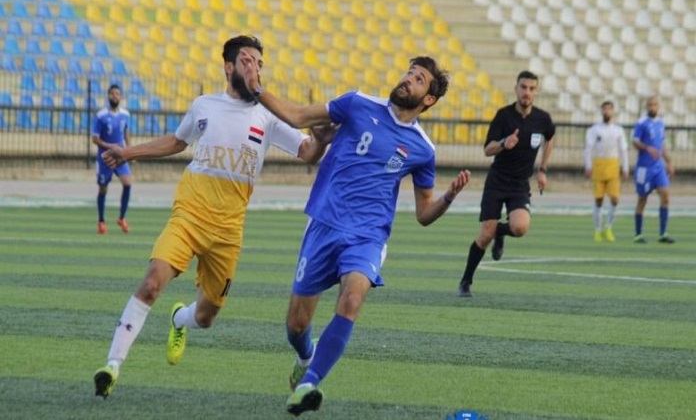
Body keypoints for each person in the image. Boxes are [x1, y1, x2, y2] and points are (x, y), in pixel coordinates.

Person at [92, 35, 334, 399]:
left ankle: (179, 319)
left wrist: (321, 141)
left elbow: (307, 152)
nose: (255, 68)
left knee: (205, 317)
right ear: (229, 66)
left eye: (259, 63)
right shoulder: (204, 105)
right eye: (248, 60)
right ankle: (112, 366)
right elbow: (176, 142)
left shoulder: (268, 115)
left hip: (228, 229)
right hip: (189, 214)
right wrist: (129, 152)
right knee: (153, 282)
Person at [238, 52, 471, 416]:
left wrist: (449, 198)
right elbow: (298, 116)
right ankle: (306, 356)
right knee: (296, 326)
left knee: (351, 300)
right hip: (324, 224)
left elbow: (424, 213)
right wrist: (256, 88)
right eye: (409, 72)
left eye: (418, 79)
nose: (408, 79)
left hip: (368, 236)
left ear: (429, 99)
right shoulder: (357, 103)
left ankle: (309, 383)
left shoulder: (423, 149)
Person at [458, 71, 555, 298]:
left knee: (520, 228)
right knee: (485, 236)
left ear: (536, 91)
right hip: (497, 182)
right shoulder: (504, 116)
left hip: (520, 185)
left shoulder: (542, 119)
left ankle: (500, 233)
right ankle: (466, 281)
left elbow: (550, 139)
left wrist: (542, 170)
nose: (527, 92)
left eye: (531, 88)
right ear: (516, 89)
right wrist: (504, 142)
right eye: (523, 87)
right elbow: (487, 149)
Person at [584, 100, 629, 242]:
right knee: (598, 200)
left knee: (615, 199)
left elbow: (623, 150)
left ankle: (608, 227)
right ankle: (597, 230)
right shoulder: (594, 130)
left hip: (613, 166)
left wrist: (625, 167)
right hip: (598, 165)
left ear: (613, 111)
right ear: (601, 111)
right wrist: (588, 165)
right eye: (604, 109)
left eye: (609, 109)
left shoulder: (618, 130)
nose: (606, 112)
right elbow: (588, 148)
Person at [632, 95, 675, 244]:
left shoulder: (661, 123)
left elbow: (662, 145)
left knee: (665, 195)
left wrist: (669, 162)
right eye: (650, 105)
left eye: (655, 105)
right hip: (644, 168)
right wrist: (647, 148)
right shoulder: (641, 123)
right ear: (646, 107)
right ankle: (638, 234)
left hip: (658, 168)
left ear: (658, 107)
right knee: (642, 199)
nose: (652, 107)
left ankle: (663, 233)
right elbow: (635, 142)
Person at [92, 84, 132, 234]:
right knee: (103, 188)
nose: (115, 96)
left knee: (127, 183)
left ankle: (122, 218)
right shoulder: (101, 115)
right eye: (112, 93)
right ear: (108, 96)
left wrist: (129, 151)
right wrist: (110, 146)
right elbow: (95, 139)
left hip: (120, 156)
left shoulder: (125, 115)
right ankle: (101, 220)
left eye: (117, 94)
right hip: (105, 158)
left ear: (121, 97)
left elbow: (126, 133)